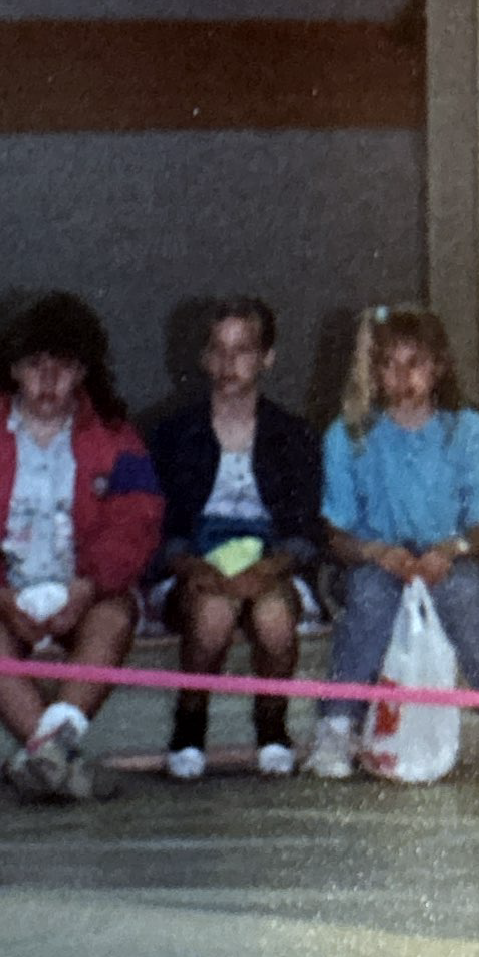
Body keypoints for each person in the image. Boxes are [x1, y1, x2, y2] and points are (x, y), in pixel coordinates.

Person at [0, 293, 163, 802]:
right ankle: (61, 760)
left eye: (64, 367)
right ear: (13, 370)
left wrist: (88, 587)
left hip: (85, 592)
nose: (48, 382)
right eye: (35, 366)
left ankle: (45, 756)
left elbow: (135, 524)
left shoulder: (119, 442)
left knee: (115, 618)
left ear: (84, 372)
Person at [145, 298, 322, 779]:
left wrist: (267, 570)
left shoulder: (293, 435)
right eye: (218, 350)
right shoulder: (173, 433)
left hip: (269, 564)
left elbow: (305, 529)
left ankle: (273, 727)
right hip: (197, 564)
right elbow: (158, 525)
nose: (229, 364)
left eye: (242, 351)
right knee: (213, 612)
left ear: (267, 358)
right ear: (203, 358)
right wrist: (193, 568)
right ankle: (190, 726)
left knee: (273, 617)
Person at [312, 304, 479, 778]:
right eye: (389, 365)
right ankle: (338, 724)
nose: (403, 377)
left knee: (468, 592)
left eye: (415, 364)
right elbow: (338, 533)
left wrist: (451, 550)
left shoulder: (469, 431)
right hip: (374, 561)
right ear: (374, 372)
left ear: (439, 367)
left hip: (448, 560)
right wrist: (375, 552)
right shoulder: (347, 436)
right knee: (370, 594)